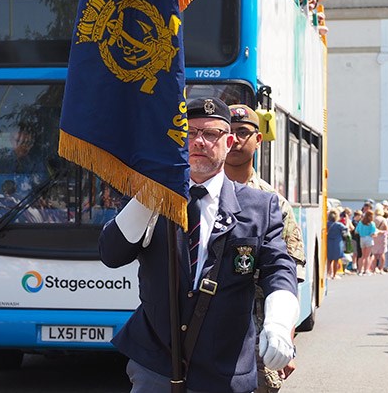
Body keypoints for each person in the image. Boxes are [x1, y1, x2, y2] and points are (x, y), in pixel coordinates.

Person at [99, 97, 298, 393]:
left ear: (229, 141)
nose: (199, 142)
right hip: (155, 365)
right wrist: (150, 195)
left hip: (224, 368)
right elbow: (112, 254)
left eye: (211, 134)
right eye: (189, 133)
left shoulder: (260, 206)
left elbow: (279, 270)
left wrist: (280, 323)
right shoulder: (151, 197)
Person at [224, 104, 305, 393]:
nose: (235, 139)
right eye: (228, 132)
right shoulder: (200, 196)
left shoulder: (273, 203)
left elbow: (288, 277)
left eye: (243, 132)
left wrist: (286, 336)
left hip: (258, 331)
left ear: (258, 140)